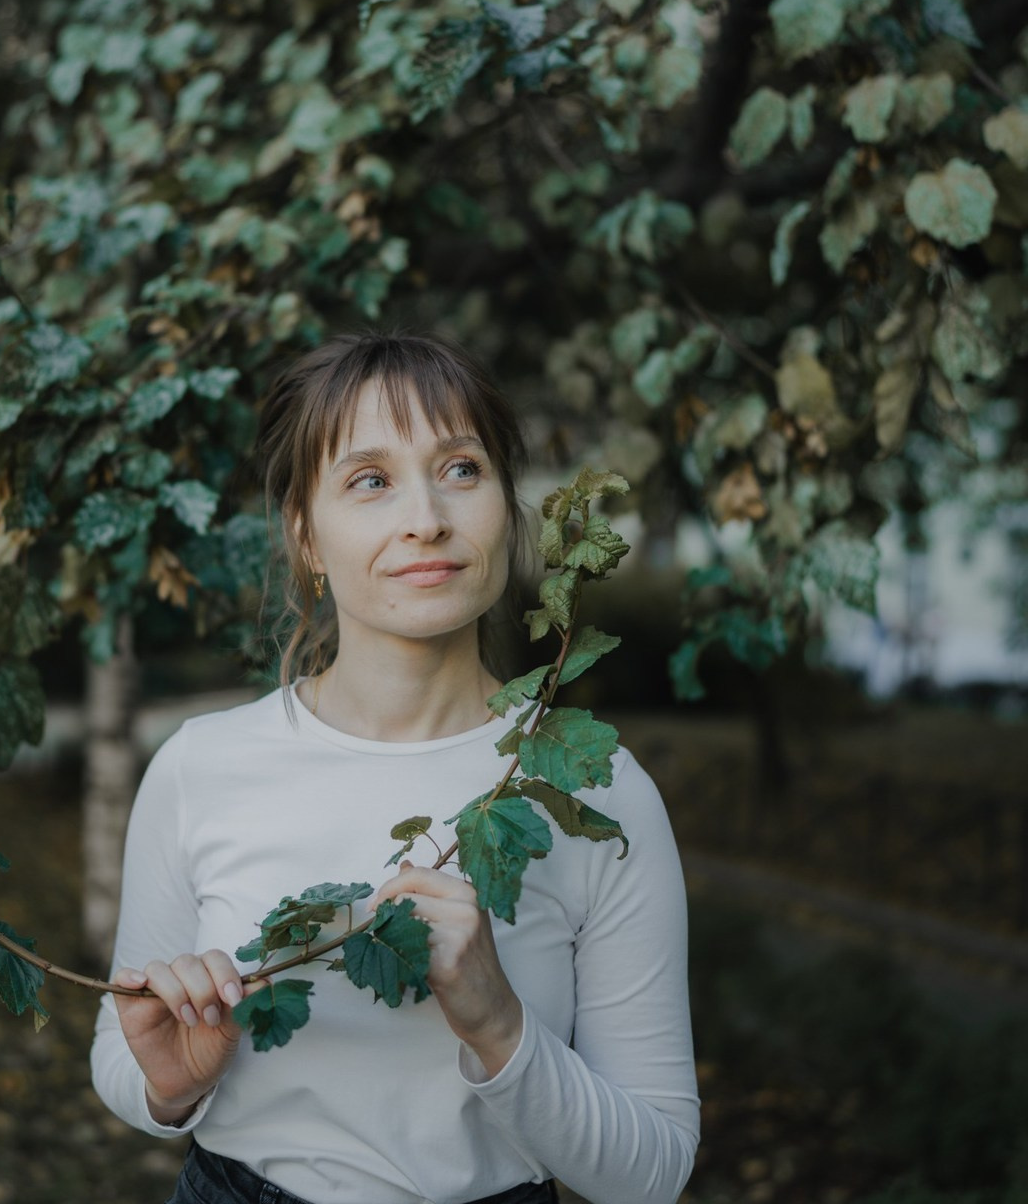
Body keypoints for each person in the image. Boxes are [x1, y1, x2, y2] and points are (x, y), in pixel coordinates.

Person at [91, 332, 700, 1204]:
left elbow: (655, 1171)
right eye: (370, 481)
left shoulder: (596, 794)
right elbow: (120, 1050)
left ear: (505, 504)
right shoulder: (200, 768)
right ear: (306, 536)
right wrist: (171, 1082)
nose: (427, 517)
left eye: (460, 469)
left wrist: (501, 1027)